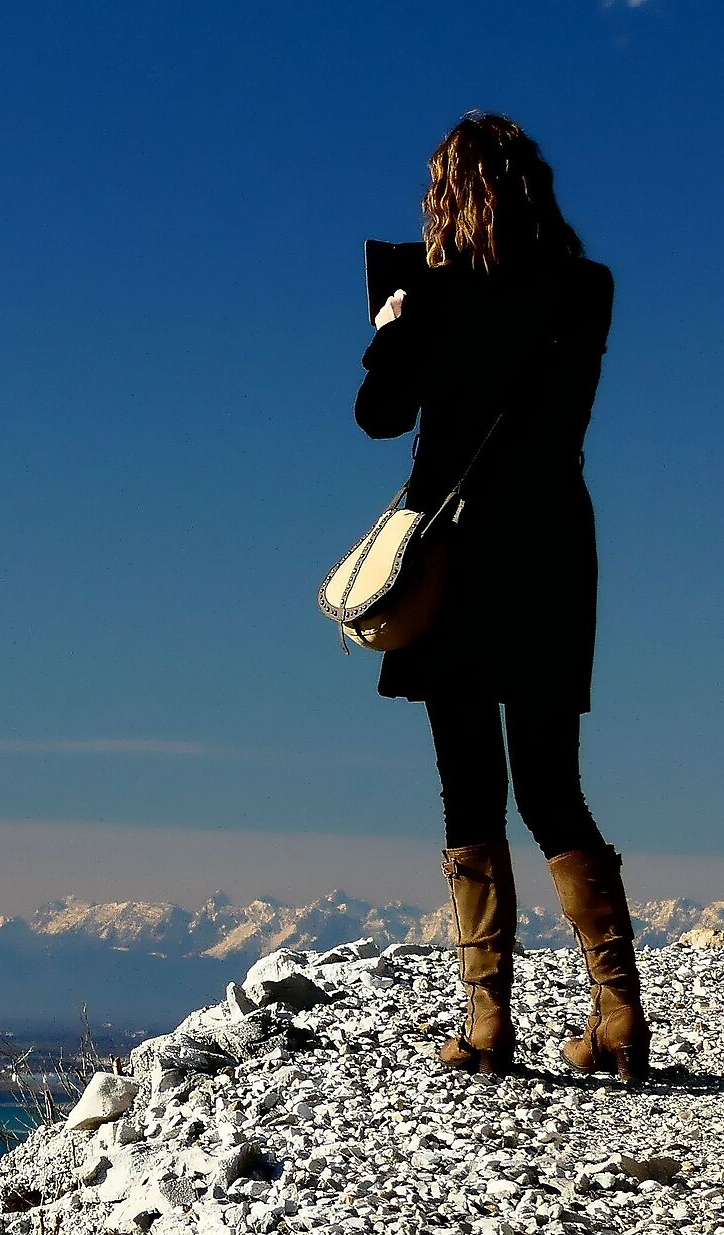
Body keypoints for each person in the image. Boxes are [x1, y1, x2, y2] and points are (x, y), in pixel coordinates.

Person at [352, 111, 645, 1083]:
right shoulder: (587, 290)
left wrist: (391, 326)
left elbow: (379, 416)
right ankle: (619, 1012)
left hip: (456, 552)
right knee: (552, 782)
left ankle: (488, 1022)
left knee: (467, 783)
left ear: (449, 194)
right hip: (555, 543)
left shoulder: (429, 298)